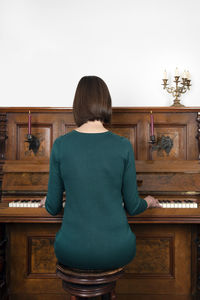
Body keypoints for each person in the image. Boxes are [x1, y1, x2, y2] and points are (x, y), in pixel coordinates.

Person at [40, 76, 161, 270]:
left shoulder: (60, 145)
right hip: (117, 248)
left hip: (71, 250)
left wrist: (48, 200)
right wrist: (148, 201)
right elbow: (133, 206)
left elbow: (53, 208)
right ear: (106, 103)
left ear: (77, 105)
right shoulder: (123, 145)